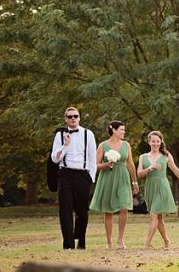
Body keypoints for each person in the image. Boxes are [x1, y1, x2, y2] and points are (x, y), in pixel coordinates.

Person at [50, 107, 97, 250]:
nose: (73, 119)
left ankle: (81, 240)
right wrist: (65, 145)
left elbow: (92, 158)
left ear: (79, 117)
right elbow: (54, 159)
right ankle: (68, 244)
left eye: (75, 116)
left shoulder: (88, 134)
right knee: (65, 210)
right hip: (65, 174)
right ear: (66, 119)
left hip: (82, 175)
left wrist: (91, 178)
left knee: (82, 211)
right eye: (70, 116)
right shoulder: (60, 135)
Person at [89, 120, 139, 249]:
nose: (124, 132)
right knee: (109, 211)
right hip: (108, 178)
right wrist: (106, 164)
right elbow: (95, 165)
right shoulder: (103, 145)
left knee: (124, 207)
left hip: (123, 178)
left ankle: (120, 239)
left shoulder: (126, 145)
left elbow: (130, 164)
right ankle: (109, 241)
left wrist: (134, 182)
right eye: (122, 129)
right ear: (114, 130)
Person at [137, 130, 179, 249]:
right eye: (153, 141)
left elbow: (176, 170)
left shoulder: (166, 156)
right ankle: (166, 241)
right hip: (150, 187)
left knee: (153, 215)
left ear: (161, 142)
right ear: (149, 142)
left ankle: (147, 244)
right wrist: (150, 168)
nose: (156, 143)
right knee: (158, 218)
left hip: (162, 187)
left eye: (158, 141)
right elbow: (139, 174)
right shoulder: (143, 157)